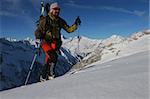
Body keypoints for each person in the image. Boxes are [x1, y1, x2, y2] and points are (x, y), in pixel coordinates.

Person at [34, 2, 81, 81]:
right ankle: (50, 75)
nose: (57, 11)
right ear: (51, 10)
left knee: (50, 59)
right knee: (53, 56)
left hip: (55, 43)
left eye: (58, 9)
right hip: (45, 42)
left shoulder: (60, 21)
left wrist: (76, 24)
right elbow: (38, 31)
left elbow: (68, 30)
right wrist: (38, 37)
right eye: (55, 9)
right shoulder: (45, 20)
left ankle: (43, 76)